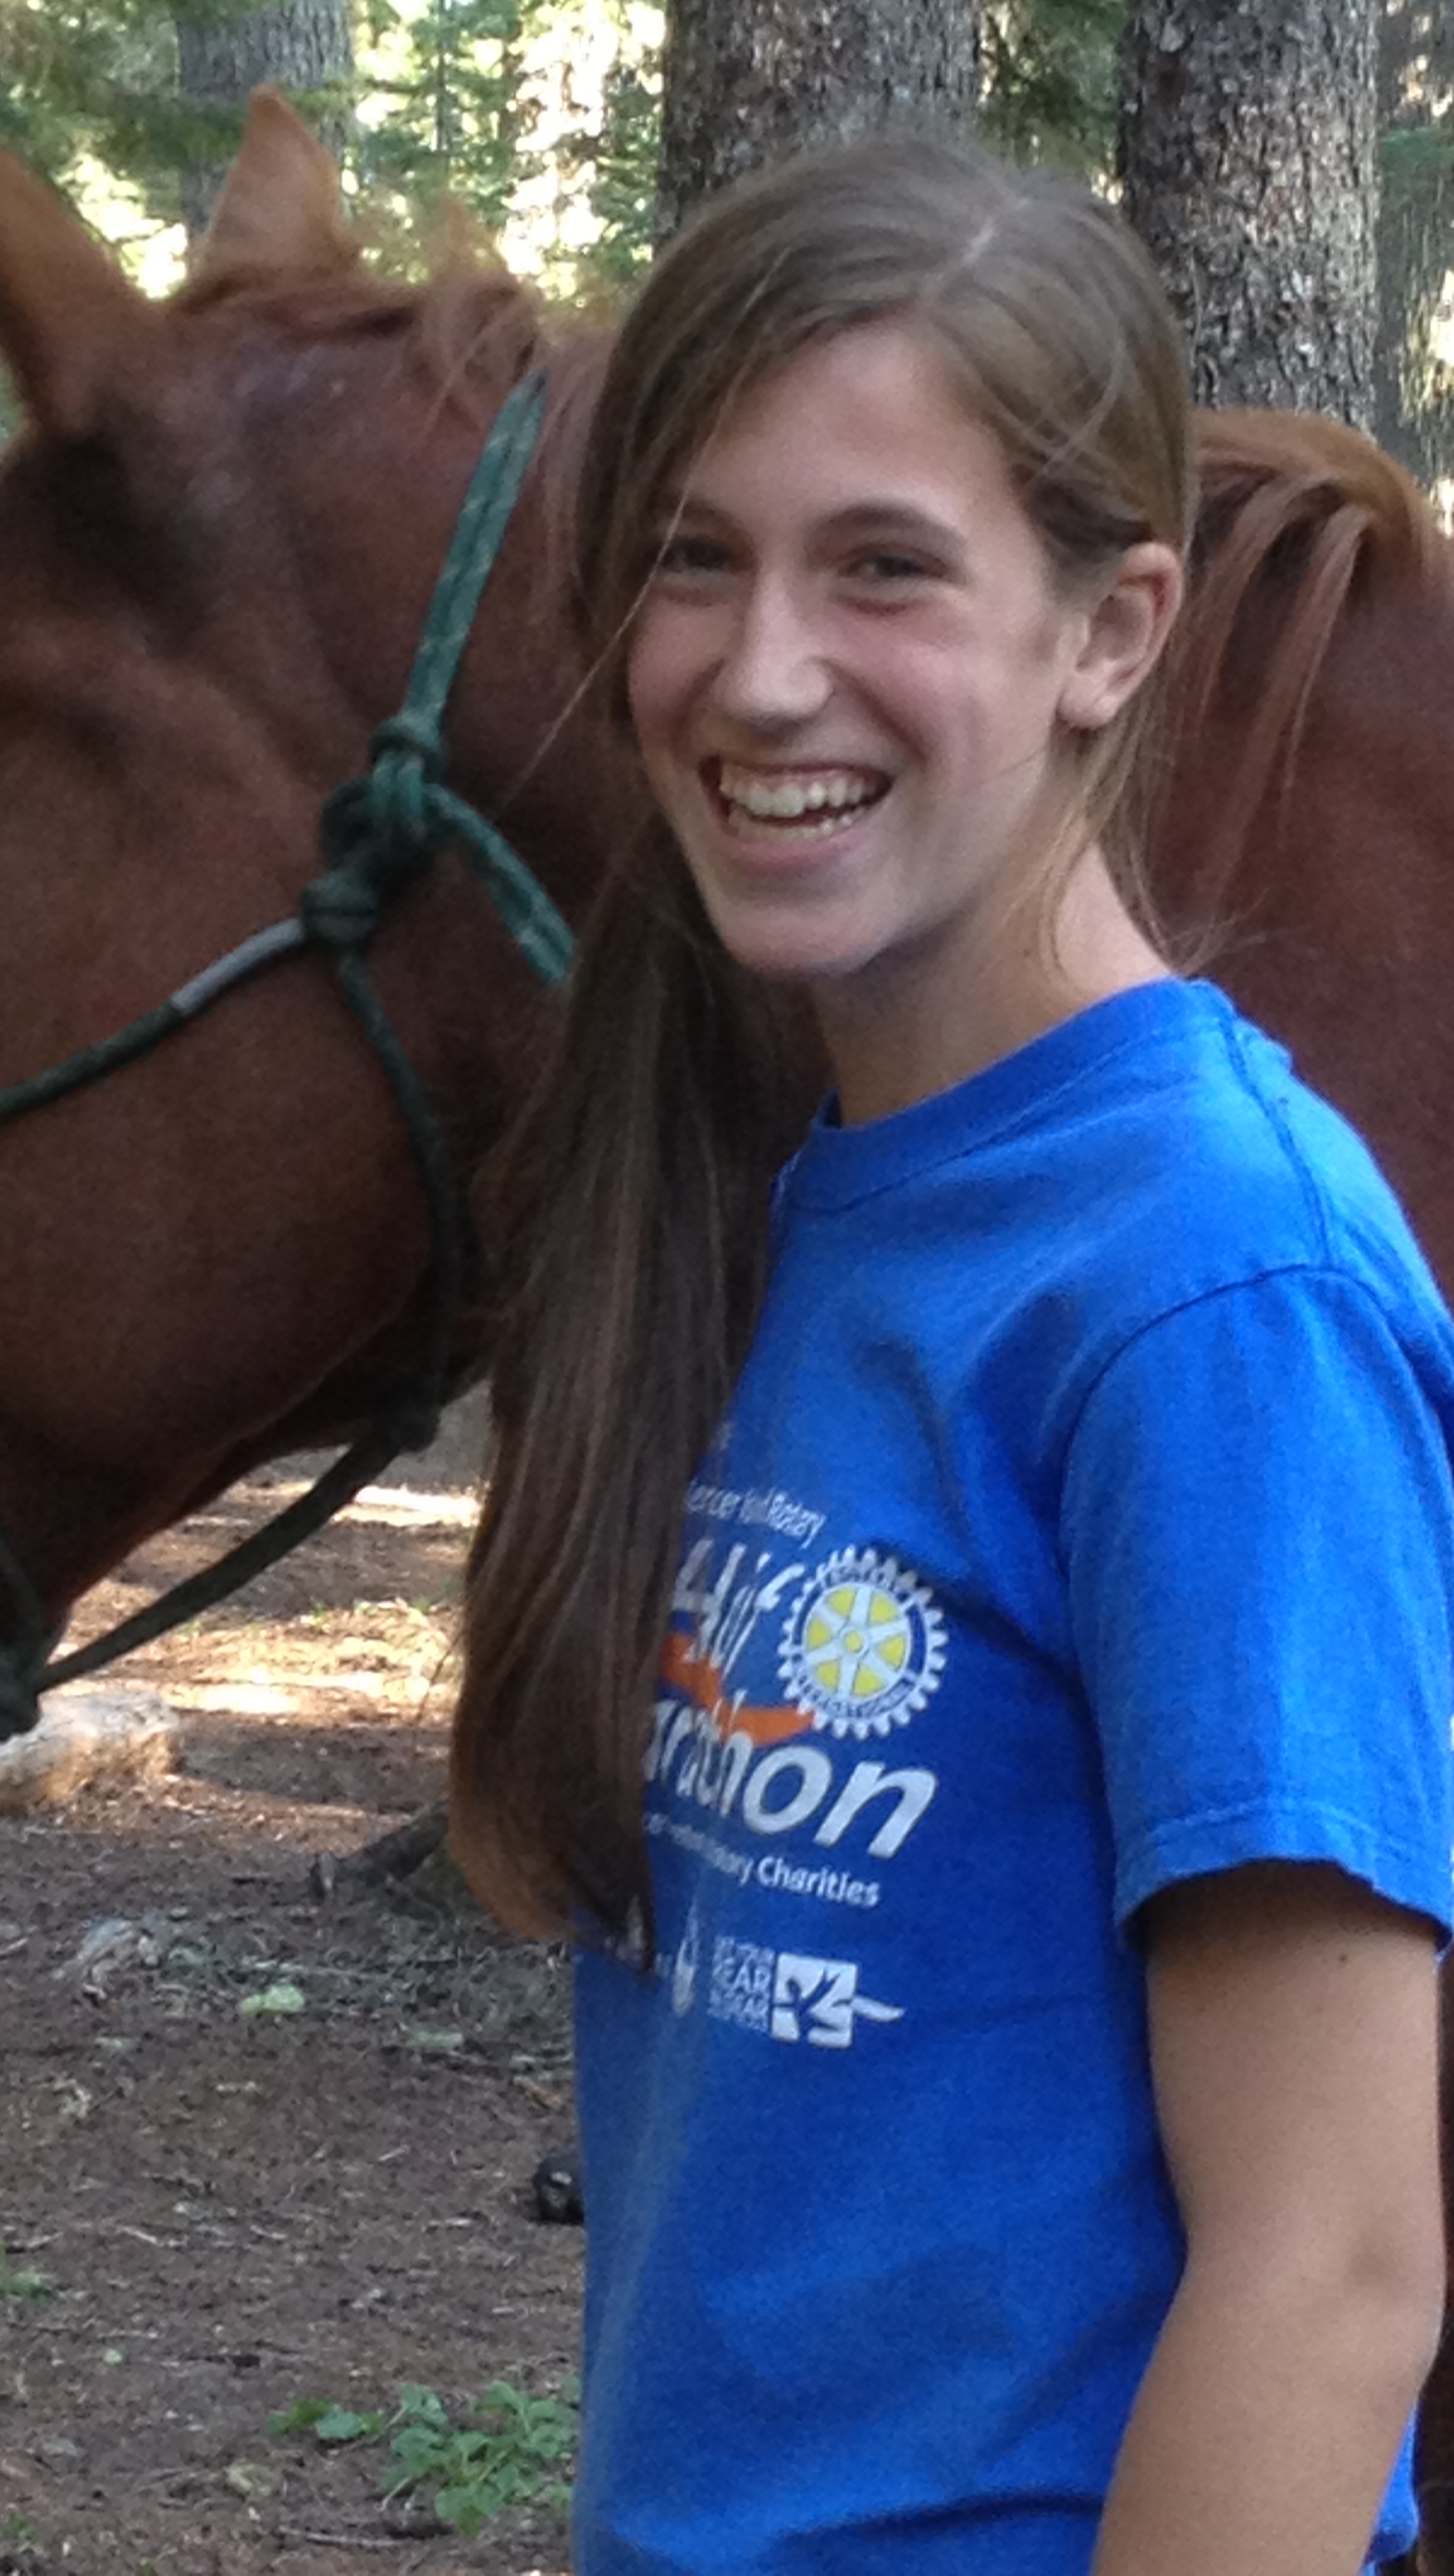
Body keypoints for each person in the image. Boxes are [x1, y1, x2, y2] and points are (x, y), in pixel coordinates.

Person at [449, 136, 1454, 2576]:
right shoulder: (796, 1204)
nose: (760, 666)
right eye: (696, 555)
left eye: (882, 564)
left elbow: (1335, 2273)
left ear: (1111, 630)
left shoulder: (1214, 1288)